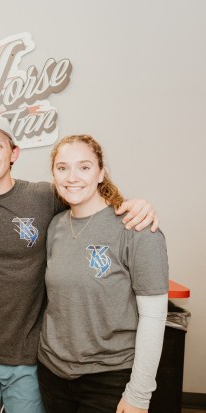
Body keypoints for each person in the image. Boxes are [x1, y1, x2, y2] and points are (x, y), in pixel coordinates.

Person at [0, 114, 158, 413]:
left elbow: (92, 204)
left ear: (14, 152)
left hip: (32, 356)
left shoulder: (44, 197)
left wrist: (135, 205)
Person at [37, 135, 168, 413]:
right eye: (62, 168)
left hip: (109, 377)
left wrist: (139, 393)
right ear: (54, 175)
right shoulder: (55, 225)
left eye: (84, 167)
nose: (72, 177)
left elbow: (154, 316)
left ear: (101, 173)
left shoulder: (137, 227)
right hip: (52, 373)